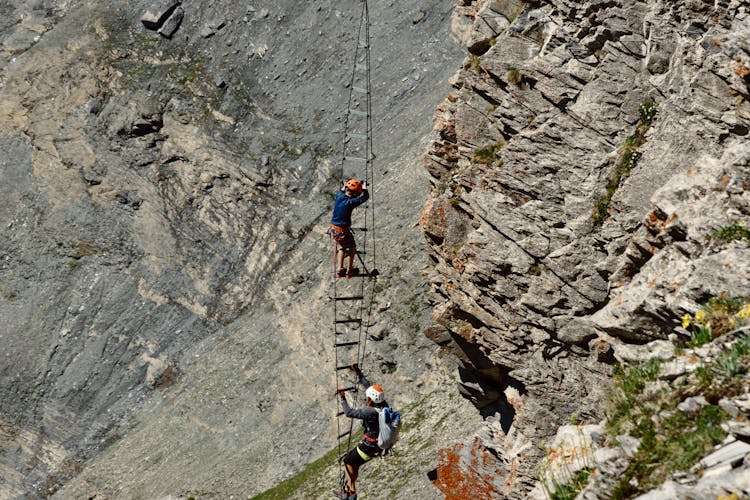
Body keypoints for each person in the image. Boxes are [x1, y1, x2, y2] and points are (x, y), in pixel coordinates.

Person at [333, 363, 387, 500]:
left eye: (367, 397)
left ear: (370, 399)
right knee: (354, 463)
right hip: (377, 446)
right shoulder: (383, 405)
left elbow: (348, 412)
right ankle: (350, 493)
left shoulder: (369, 412)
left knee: (347, 461)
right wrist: (357, 371)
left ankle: (351, 494)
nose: (365, 398)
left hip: (369, 446)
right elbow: (368, 386)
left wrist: (342, 397)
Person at [330, 179, 369, 278]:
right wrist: (364, 188)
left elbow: (342, 190)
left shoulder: (339, 196)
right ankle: (349, 270)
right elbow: (365, 197)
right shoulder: (351, 202)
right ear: (355, 194)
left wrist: (346, 184)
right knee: (352, 248)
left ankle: (340, 269)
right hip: (343, 231)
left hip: (334, 229)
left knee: (342, 247)